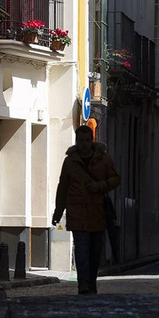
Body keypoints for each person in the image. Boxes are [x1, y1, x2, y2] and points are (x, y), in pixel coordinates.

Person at [52, 124, 121, 295]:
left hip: (98, 213)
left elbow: (115, 179)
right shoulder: (70, 162)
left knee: (95, 252)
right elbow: (63, 187)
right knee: (81, 249)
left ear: (92, 140)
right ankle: (83, 284)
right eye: (80, 141)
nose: (83, 144)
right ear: (76, 142)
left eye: (86, 140)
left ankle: (91, 282)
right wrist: (58, 211)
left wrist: (100, 186)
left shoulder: (103, 159)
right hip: (76, 213)